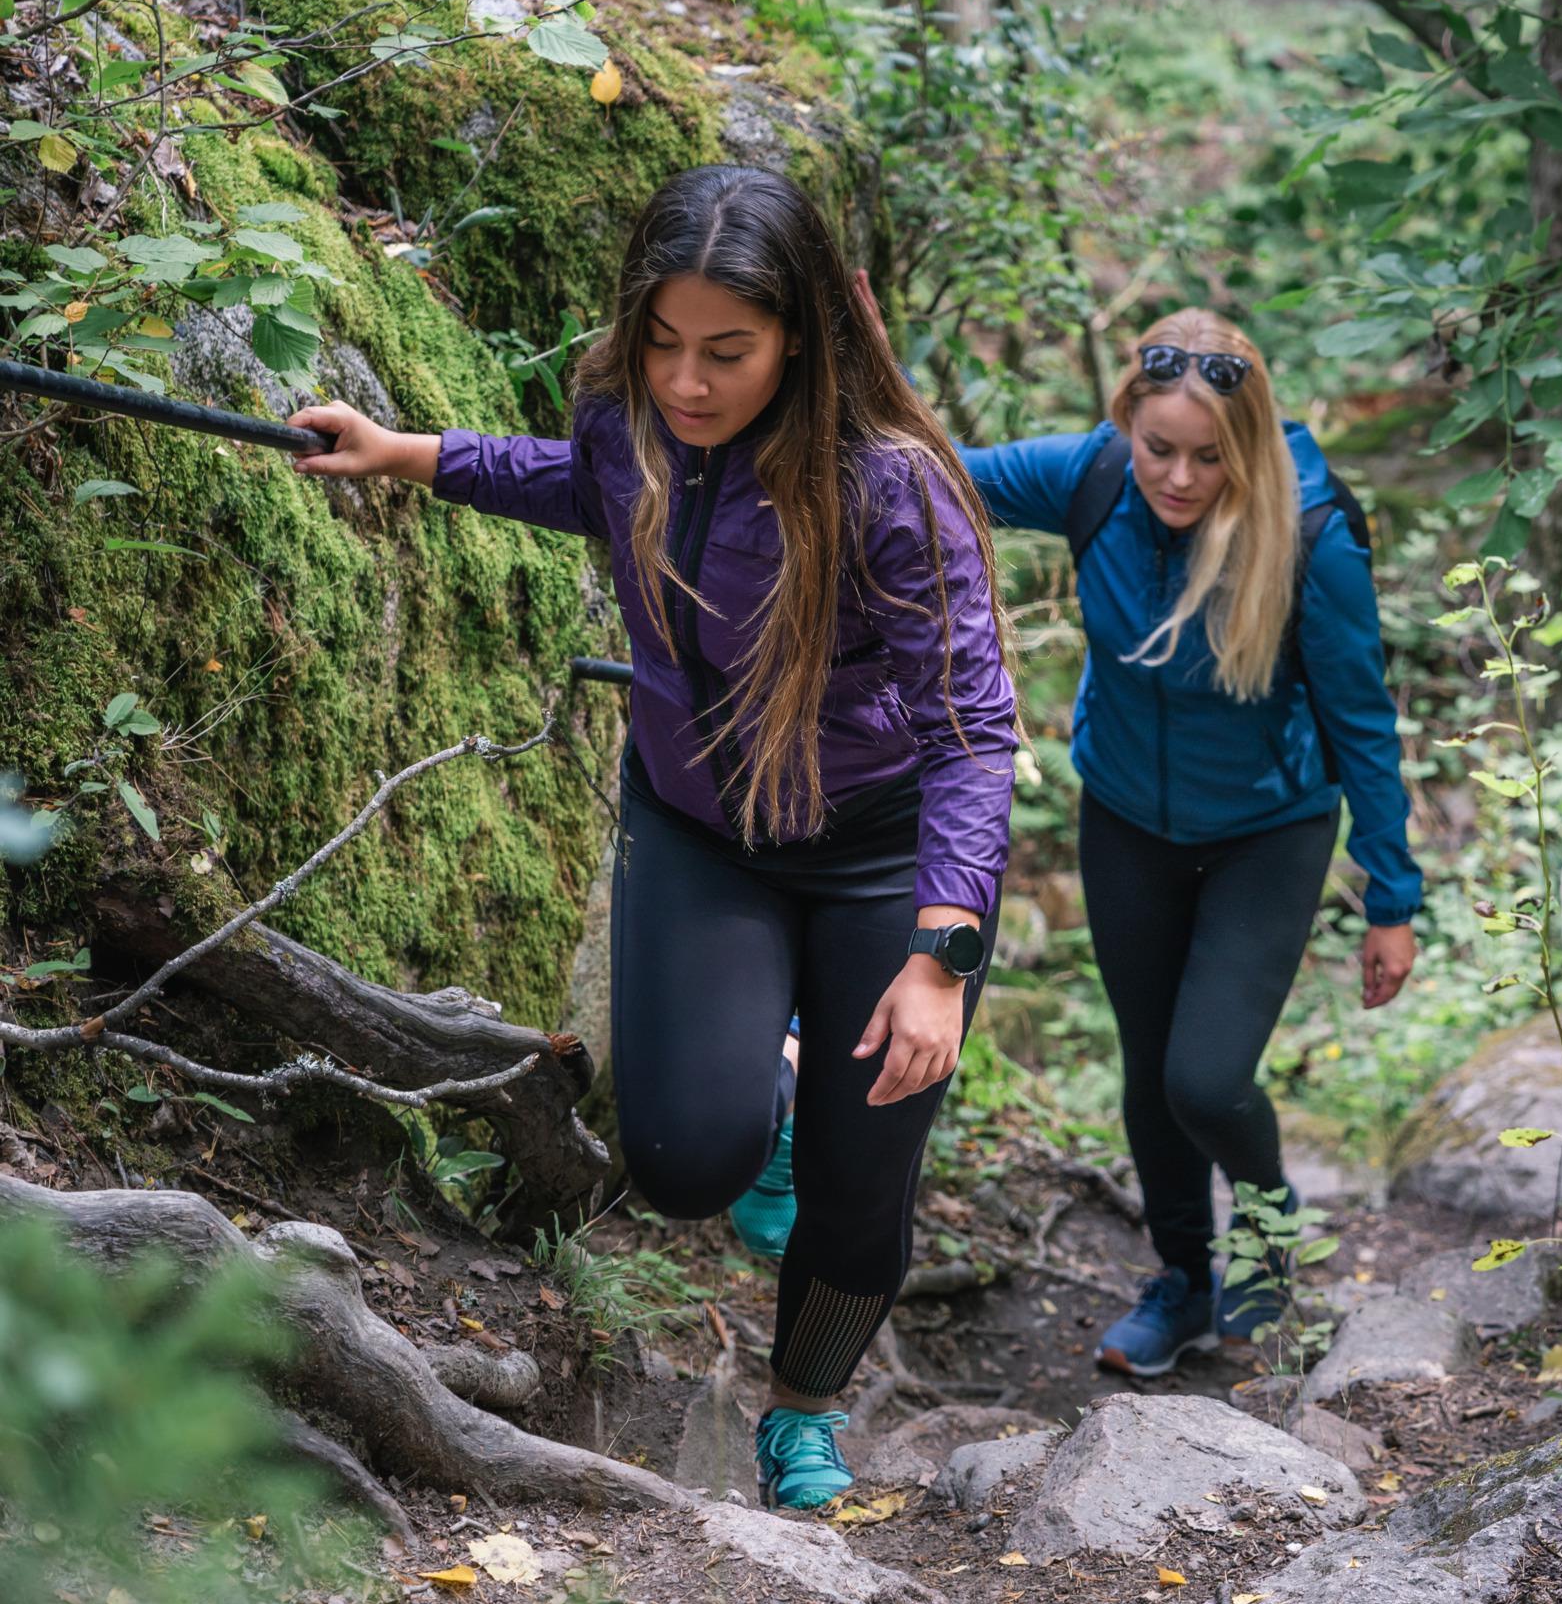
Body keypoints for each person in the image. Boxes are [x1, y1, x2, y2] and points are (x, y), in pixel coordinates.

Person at [286, 165, 1016, 1510]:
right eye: (667, 342)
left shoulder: (890, 489)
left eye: (727, 352)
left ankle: (802, 1415)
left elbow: (975, 723)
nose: (688, 381)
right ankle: (774, 1090)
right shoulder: (628, 415)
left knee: (863, 1191)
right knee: (686, 1162)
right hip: (700, 832)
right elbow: (587, 482)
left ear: (801, 334)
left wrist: (943, 952)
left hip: (880, 852)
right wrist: (412, 454)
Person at [958, 308, 1421, 1375]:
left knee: (1204, 1079)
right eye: (1157, 447)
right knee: (1147, 1069)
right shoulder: (1090, 479)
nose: (1176, 477)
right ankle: (1179, 1279)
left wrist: (1390, 899)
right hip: (1124, 820)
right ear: (1124, 422)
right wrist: (863, 360)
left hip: (1268, 833)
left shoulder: (1310, 536)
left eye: (1208, 456)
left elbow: (1361, 720)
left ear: (1247, 445)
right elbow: (936, 468)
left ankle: (1263, 1221)